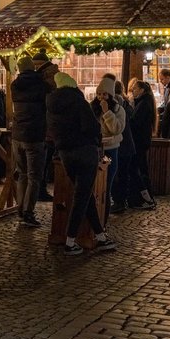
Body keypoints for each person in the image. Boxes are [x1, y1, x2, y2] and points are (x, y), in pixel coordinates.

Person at [46, 73, 116, 255]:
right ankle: (70, 241)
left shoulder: (52, 106)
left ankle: (101, 237)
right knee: (81, 197)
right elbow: (92, 127)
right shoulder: (79, 102)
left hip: (65, 154)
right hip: (85, 152)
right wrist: (96, 139)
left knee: (85, 195)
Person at [11, 57, 50, 227]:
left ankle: (21, 209)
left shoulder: (15, 85)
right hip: (34, 135)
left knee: (22, 174)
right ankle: (28, 213)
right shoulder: (41, 84)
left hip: (17, 135)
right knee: (35, 176)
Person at [90, 76, 125, 226]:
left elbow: (116, 129)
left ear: (110, 95)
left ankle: (103, 219)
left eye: (104, 94)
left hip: (110, 152)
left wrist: (107, 113)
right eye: (99, 94)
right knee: (95, 185)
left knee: (106, 184)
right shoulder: (92, 109)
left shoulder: (119, 110)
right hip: (96, 151)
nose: (101, 98)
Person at [105, 76, 136, 214]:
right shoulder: (127, 102)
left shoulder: (116, 105)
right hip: (126, 144)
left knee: (117, 175)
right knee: (122, 175)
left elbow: (116, 127)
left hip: (119, 145)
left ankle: (118, 202)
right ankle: (120, 201)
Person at [127, 80, 157, 209]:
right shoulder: (145, 102)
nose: (133, 90)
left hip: (139, 141)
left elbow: (135, 123)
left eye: (135, 88)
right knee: (140, 168)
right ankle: (146, 196)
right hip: (142, 141)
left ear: (142, 90)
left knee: (138, 169)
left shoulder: (143, 104)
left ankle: (144, 198)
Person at [32, 50, 57, 201]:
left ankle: (40, 190)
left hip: (45, 126)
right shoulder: (50, 75)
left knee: (43, 160)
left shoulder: (44, 78)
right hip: (48, 125)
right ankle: (40, 189)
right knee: (43, 161)